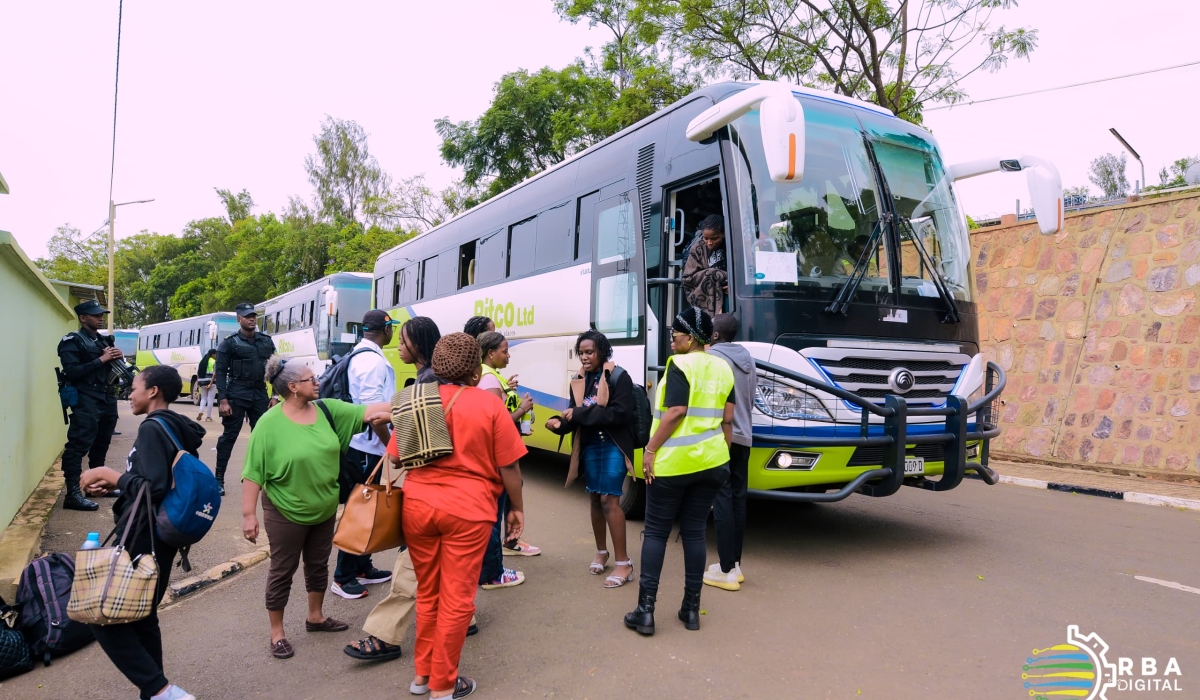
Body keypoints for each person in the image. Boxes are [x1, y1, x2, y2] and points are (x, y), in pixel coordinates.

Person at [395, 332, 528, 699]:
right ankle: (443, 685)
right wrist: (516, 508)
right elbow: (510, 468)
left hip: (418, 508)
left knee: (428, 592)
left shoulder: (413, 399)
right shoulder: (488, 406)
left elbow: (394, 456)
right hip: (468, 513)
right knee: (457, 599)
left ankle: (422, 677)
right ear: (474, 368)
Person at [346, 315, 482, 664]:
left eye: (404, 342)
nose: (399, 347)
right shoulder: (439, 383)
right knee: (443, 561)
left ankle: (386, 636)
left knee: (412, 563)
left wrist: (390, 427)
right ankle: (461, 617)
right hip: (457, 498)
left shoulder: (428, 385)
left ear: (419, 346)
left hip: (430, 491)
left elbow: (411, 451)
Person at [240, 356, 392, 659]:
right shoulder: (268, 425)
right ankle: (277, 632)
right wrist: (248, 515)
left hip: (323, 508)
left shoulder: (327, 410)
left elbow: (375, 410)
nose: (318, 382)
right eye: (312, 379)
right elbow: (253, 473)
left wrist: (423, 400)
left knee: (318, 564)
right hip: (286, 509)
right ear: (294, 387)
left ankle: (316, 616)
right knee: (283, 569)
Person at [78, 365, 204, 700]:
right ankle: (157, 693)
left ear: (153, 391)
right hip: (161, 536)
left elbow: (154, 486)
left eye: (133, 387)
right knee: (143, 617)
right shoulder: (174, 427)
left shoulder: (152, 428)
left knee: (102, 615)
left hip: (142, 534)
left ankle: (159, 690)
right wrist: (117, 489)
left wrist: (108, 472)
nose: (129, 393)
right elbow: (156, 482)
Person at [625, 307, 734, 636]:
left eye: (675, 337)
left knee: (656, 532)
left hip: (673, 465)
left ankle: (645, 612)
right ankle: (690, 610)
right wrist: (723, 455)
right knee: (695, 532)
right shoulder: (723, 367)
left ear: (690, 339)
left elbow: (675, 412)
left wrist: (650, 449)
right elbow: (728, 419)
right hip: (712, 463)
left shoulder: (680, 365)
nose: (671, 343)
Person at [545, 329, 636, 588]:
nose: (584, 357)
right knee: (595, 498)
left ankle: (624, 563)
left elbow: (619, 414)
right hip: (590, 445)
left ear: (602, 352)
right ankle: (601, 551)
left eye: (589, 352)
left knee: (609, 499)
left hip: (614, 445)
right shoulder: (578, 379)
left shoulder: (619, 376)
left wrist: (579, 414)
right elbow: (574, 417)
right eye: (581, 352)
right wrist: (557, 424)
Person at [331, 310, 400, 600]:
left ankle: (362, 566)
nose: (393, 333)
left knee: (365, 505)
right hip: (364, 446)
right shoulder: (371, 362)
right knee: (359, 509)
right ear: (385, 329)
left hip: (361, 444)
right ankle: (343, 576)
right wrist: (390, 446)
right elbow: (375, 416)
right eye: (391, 328)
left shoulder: (359, 355)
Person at [476, 331, 539, 589]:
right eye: (504, 350)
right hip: (496, 458)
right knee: (492, 517)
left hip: (488, 457)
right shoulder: (489, 378)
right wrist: (523, 409)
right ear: (490, 353)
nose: (508, 354)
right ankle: (493, 573)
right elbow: (497, 423)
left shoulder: (487, 375)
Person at [703, 314, 757, 592]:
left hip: (723, 436)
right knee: (737, 500)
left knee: (721, 499)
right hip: (745, 436)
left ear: (714, 335)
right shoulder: (747, 358)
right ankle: (734, 565)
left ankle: (724, 569)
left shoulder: (713, 359)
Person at [57, 299, 124, 511]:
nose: (100, 317)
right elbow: (73, 371)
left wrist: (116, 357)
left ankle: (96, 485)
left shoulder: (103, 341)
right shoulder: (71, 341)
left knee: (102, 442)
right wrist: (102, 360)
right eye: (95, 315)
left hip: (106, 397)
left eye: (101, 314)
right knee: (78, 444)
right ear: (83, 317)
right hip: (85, 398)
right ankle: (73, 493)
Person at [213, 302, 276, 496]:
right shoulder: (229, 343)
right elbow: (221, 372)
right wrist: (222, 400)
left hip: (259, 393)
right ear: (238, 319)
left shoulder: (266, 341)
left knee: (264, 437)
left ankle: (266, 478)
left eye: (253, 316)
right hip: (236, 393)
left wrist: (274, 395)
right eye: (247, 316)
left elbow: (274, 368)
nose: (251, 319)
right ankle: (218, 479)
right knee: (229, 436)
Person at [681, 214, 728, 317]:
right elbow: (687, 278)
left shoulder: (732, 245)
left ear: (724, 234)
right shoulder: (697, 248)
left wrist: (734, 286)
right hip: (706, 295)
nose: (709, 243)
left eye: (715, 239)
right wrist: (714, 276)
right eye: (705, 238)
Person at [195, 349, 217, 422]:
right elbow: (214, 374)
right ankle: (208, 417)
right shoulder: (214, 361)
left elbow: (198, 373)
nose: (216, 355)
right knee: (210, 399)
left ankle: (201, 411)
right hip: (211, 382)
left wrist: (198, 383)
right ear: (213, 354)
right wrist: (210, 383)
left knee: (203, 398)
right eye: (215, 354)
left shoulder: (202, 361)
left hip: (202, 382)